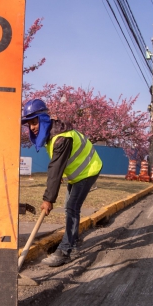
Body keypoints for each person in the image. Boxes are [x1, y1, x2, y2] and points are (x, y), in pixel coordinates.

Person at [21, 99, 103, 267]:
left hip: (89, 170)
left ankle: (65, 251)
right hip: (77, 174)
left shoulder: (61, 138)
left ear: (43, 118)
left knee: (72, 207)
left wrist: (48, 199)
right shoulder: (52, 135)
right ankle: (73, 241)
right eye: (29, 124)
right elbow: (57, 167)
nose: (32, 127)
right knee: (69, 207)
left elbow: (55, 169)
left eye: (34, 122)